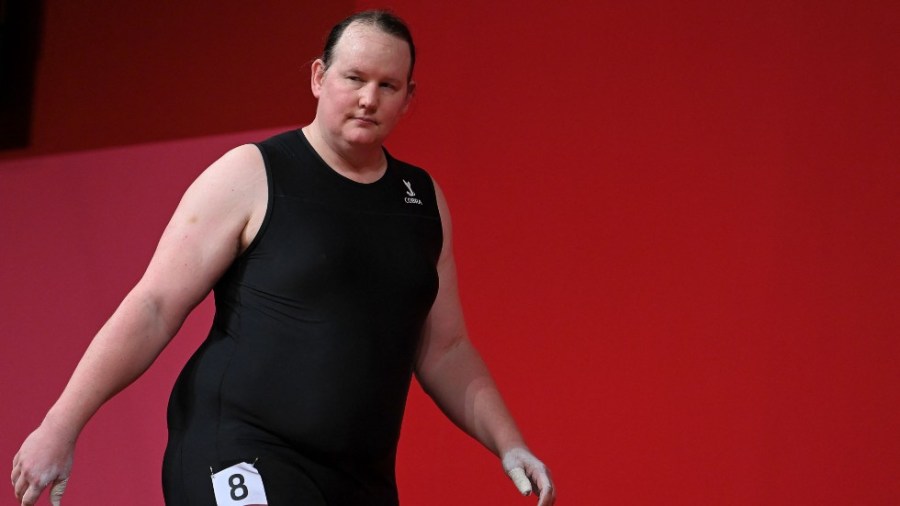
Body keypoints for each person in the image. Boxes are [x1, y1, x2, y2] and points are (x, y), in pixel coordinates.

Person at [11, 10, 555, 506]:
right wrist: (60, 425)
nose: (369, 98)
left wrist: (509, 444)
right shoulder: (251, 173)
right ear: (319, 77)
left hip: (359, 476)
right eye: (354, 78)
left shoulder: (422, 199)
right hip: (240, 448)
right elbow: (154, 306)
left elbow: (446, 348)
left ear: (409, 98)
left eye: (388, 86)